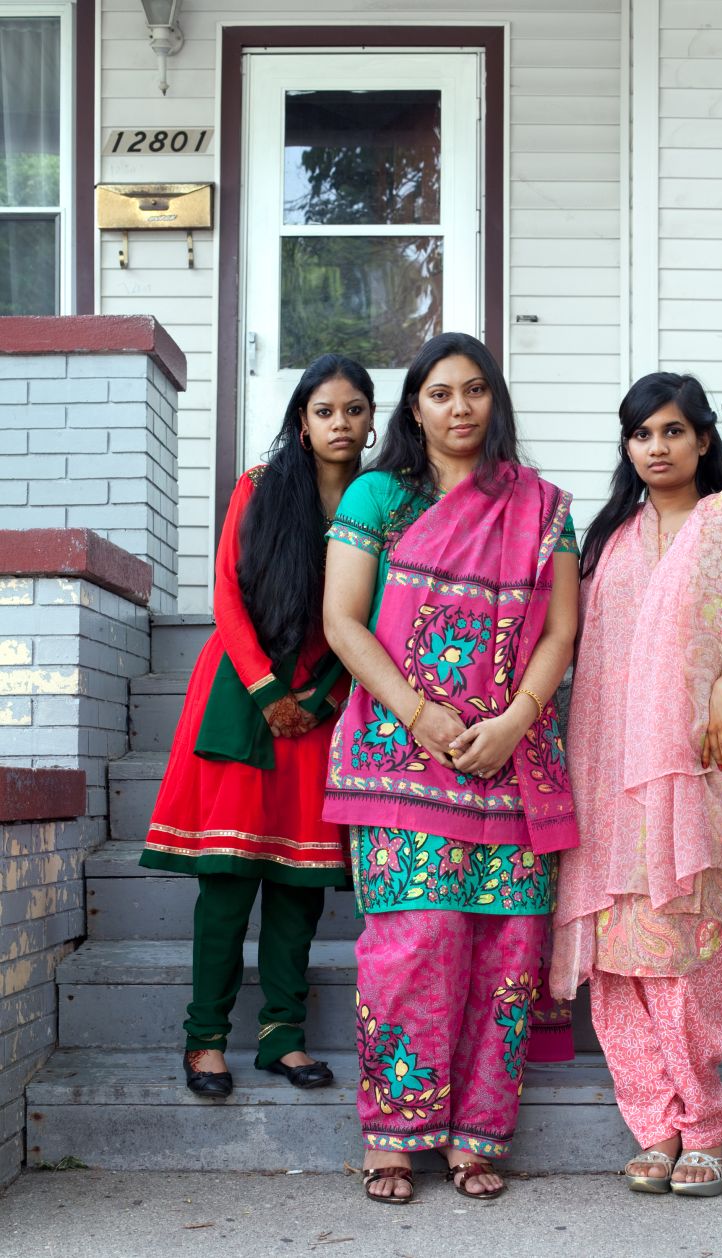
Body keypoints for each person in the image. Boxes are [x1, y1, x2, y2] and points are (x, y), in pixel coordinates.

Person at [550, 372, 722, 1197]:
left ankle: (704, 1123)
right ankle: (654, 1126)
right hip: (606, 770)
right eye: (641, 434)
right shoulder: (607, 539)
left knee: (688, 948)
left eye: (673, 431)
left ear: (704, 439)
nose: (656, 448)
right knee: (619, 959)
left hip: (701, 763)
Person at [322, 332, 580, 1204]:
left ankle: (477, 1138)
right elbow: (342, 622)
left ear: (494, 400)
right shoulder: (379, 497)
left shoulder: (541, 508)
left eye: (475, 390)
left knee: (508, 955)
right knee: (414, 943)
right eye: (440, 393)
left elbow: (560, 632)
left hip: (511, 761)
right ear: (415, 407)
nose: (460, 408)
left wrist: (516, 721)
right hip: (403, 756)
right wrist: (420, 713)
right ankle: (393, 1137)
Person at [140, 354, 376, 1099]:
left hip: (323, 703)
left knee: (301, 880)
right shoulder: (260, 486)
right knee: (228, 877)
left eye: (355, 410)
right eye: (325, 411)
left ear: (373, 420)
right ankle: (205, 1039)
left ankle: (282, 1036)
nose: (341, 423)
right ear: (302, 422)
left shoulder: (381, 503)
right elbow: (227, 593)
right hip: (242, 693)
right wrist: (268, 689)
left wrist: (324, 696)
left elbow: (376, 617)